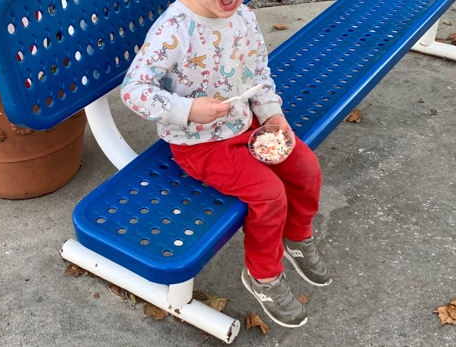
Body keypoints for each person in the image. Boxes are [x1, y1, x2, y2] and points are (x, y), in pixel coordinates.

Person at [120, 0, 331, 328]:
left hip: (246, 124)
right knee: (269, 194)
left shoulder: (242, 16)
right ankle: (263, 275)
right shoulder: (172, 29)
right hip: (199, 145)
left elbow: (258, 75)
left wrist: (272, 113)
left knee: (306, 167)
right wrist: (187, 109)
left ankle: (297, 234)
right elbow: (133, 90)